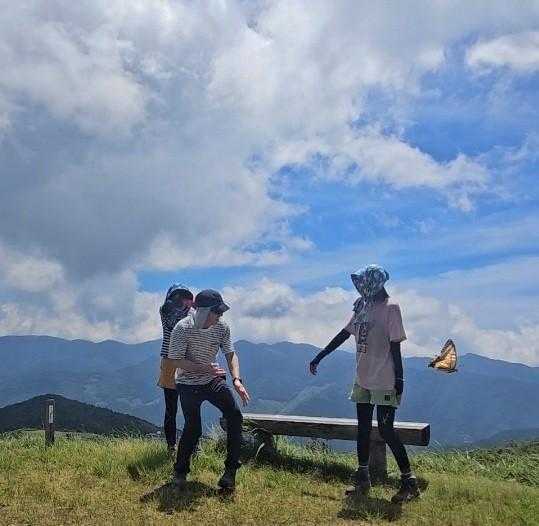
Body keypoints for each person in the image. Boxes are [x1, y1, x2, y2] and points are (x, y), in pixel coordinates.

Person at [309, 265, 420, 503]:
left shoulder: (391, 308)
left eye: (363, 283)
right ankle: (363, 479)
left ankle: (409, 483)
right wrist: (320, 356)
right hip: (363, 378)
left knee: (387, 430)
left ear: (375, 283)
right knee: (363, 429)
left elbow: (395, 346)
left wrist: (400, 379)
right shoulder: (362, 305)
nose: (360, 288)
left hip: (385, 379)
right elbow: (344, 333)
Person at [167, 289, 250, 490]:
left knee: (235, 416)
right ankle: (180, 472)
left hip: (212, 379)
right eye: (217, 312)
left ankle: (230, 473)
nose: (220, 316)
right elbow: (175, 360)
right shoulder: (182, 328)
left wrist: (236, 380)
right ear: (204, 311)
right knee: (193, 428)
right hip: (187, 383)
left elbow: (230, 354)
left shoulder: (222, 327)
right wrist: (203, 368)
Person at [158, 284, 194, 455]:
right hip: (171, 362)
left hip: (187, 362)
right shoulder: (165, 310)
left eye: (184, 297)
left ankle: (191, 445)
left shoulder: (191, 313)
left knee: (190, 408)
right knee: (171, 409)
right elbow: (174, 325)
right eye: (178, 297)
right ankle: (171, 446)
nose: (181, 300)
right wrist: (189, 307)